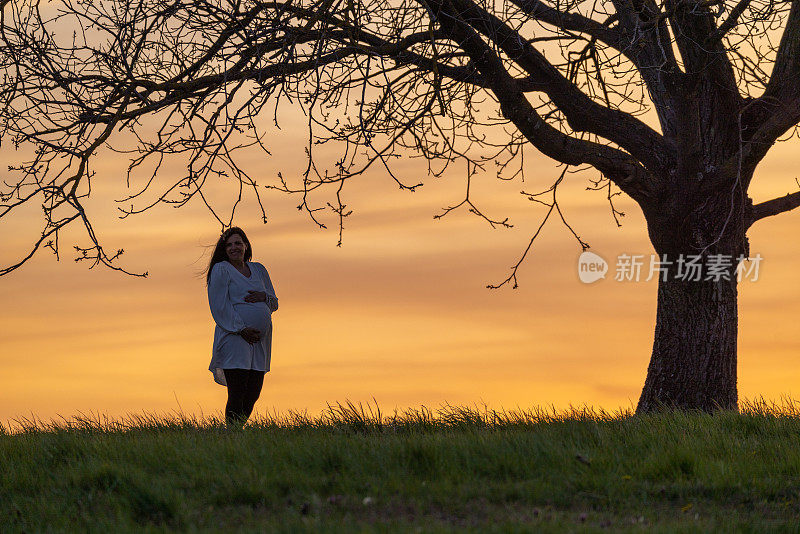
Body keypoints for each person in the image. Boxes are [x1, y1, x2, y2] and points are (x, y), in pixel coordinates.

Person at [205, 227, 278, 426]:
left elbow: (274, 303)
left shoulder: (259, 269)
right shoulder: (221, 269)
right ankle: (232, 433)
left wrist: (264, 297)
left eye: (238, 243)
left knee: (253, 392)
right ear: (224, 249)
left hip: (259, 342)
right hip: (235, 337)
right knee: (237, 391)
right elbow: (219, 306)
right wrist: (241, 329)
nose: (234, 248)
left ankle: (237, 430)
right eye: (228, 245)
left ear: (246, 245)